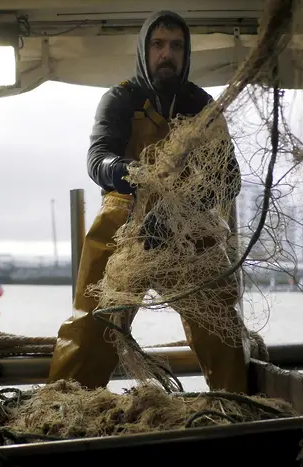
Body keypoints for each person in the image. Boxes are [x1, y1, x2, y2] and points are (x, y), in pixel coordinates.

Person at [47, 10, 252, 394]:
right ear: (145, 50)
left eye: (176, 46)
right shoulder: (120, 98)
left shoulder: (203, 105)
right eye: (158, 44)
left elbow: (229, 177)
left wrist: (180, 208)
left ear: (186, 53)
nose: (166, 54)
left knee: (219, 323)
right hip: (124, 224)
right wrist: (132, 174)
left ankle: (236, 404)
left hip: (188, 227)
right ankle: (63, 405)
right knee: (94, 325)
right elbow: (98, 159)